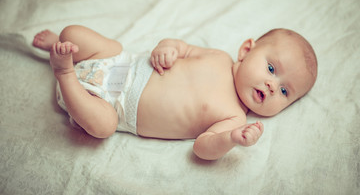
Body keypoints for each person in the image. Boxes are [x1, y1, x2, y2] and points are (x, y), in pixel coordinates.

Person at [32, 25, 317, 160]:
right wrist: (166, 49)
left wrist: (230, 140)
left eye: (284, 90)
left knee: (102, 127)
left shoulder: (234, 118)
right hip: (120, 61)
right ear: (246, 50)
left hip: (113, 106)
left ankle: (65, 73)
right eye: (270, 68)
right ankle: (62, 46)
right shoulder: (217, 57)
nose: (271, 85)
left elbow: (202, 147)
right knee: (74, 33)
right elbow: (179, 46)